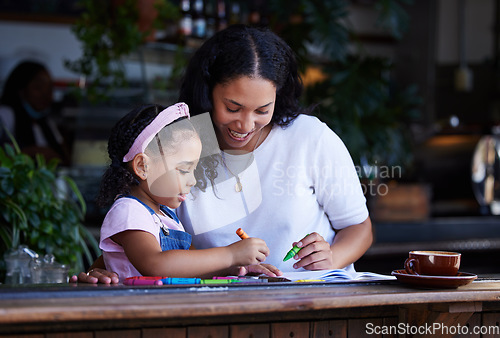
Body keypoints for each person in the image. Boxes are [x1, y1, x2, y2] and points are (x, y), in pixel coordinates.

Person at [74, 24, 372, 284]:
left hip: (315, 303)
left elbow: (359, 227)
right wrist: (103, 271)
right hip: (222, 308)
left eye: (262, 110)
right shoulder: (182, 148)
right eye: (232, 108)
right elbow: (141, 233)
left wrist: (331, 258)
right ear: (207, 92)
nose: (245, 125)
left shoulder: (309, 137)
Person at [93, 102, 278, 282]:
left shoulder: (167, 216)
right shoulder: (129, 211)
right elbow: (155, 264)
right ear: (143, 166)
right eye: (183, 170)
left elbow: (190, 268)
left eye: (194, 170)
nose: (193, 180)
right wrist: (230, 254)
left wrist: (238, 268)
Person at [0, 60, 70, 165]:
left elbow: (64, 157)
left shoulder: (46, 122)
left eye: (50, 89)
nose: (45, 95)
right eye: (38, 88)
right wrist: (32, 152)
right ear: (21, 89)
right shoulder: (6, 114)